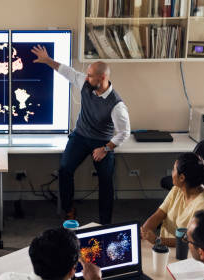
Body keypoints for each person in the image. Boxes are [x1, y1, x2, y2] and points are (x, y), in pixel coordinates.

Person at [31, 45, 131, 224]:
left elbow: (125, 132)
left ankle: (105, 222)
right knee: (64, 169)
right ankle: (69, 210)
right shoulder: (85, 83)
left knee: (106, 181)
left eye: (91, 75)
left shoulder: (117, 105)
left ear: (103, 78)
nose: (87, 77)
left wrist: (106, 148)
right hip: (81, 136)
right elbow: (66, 71)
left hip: (102, 142)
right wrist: (47, 60)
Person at [141, 152, 204, 247]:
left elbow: (189, 241)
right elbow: (158, 215)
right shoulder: (177, 189)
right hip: (163, 246)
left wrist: (157, 240)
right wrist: (143, 232)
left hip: (184, 252)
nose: (172, 173)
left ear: (181, 178)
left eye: (173, 170)